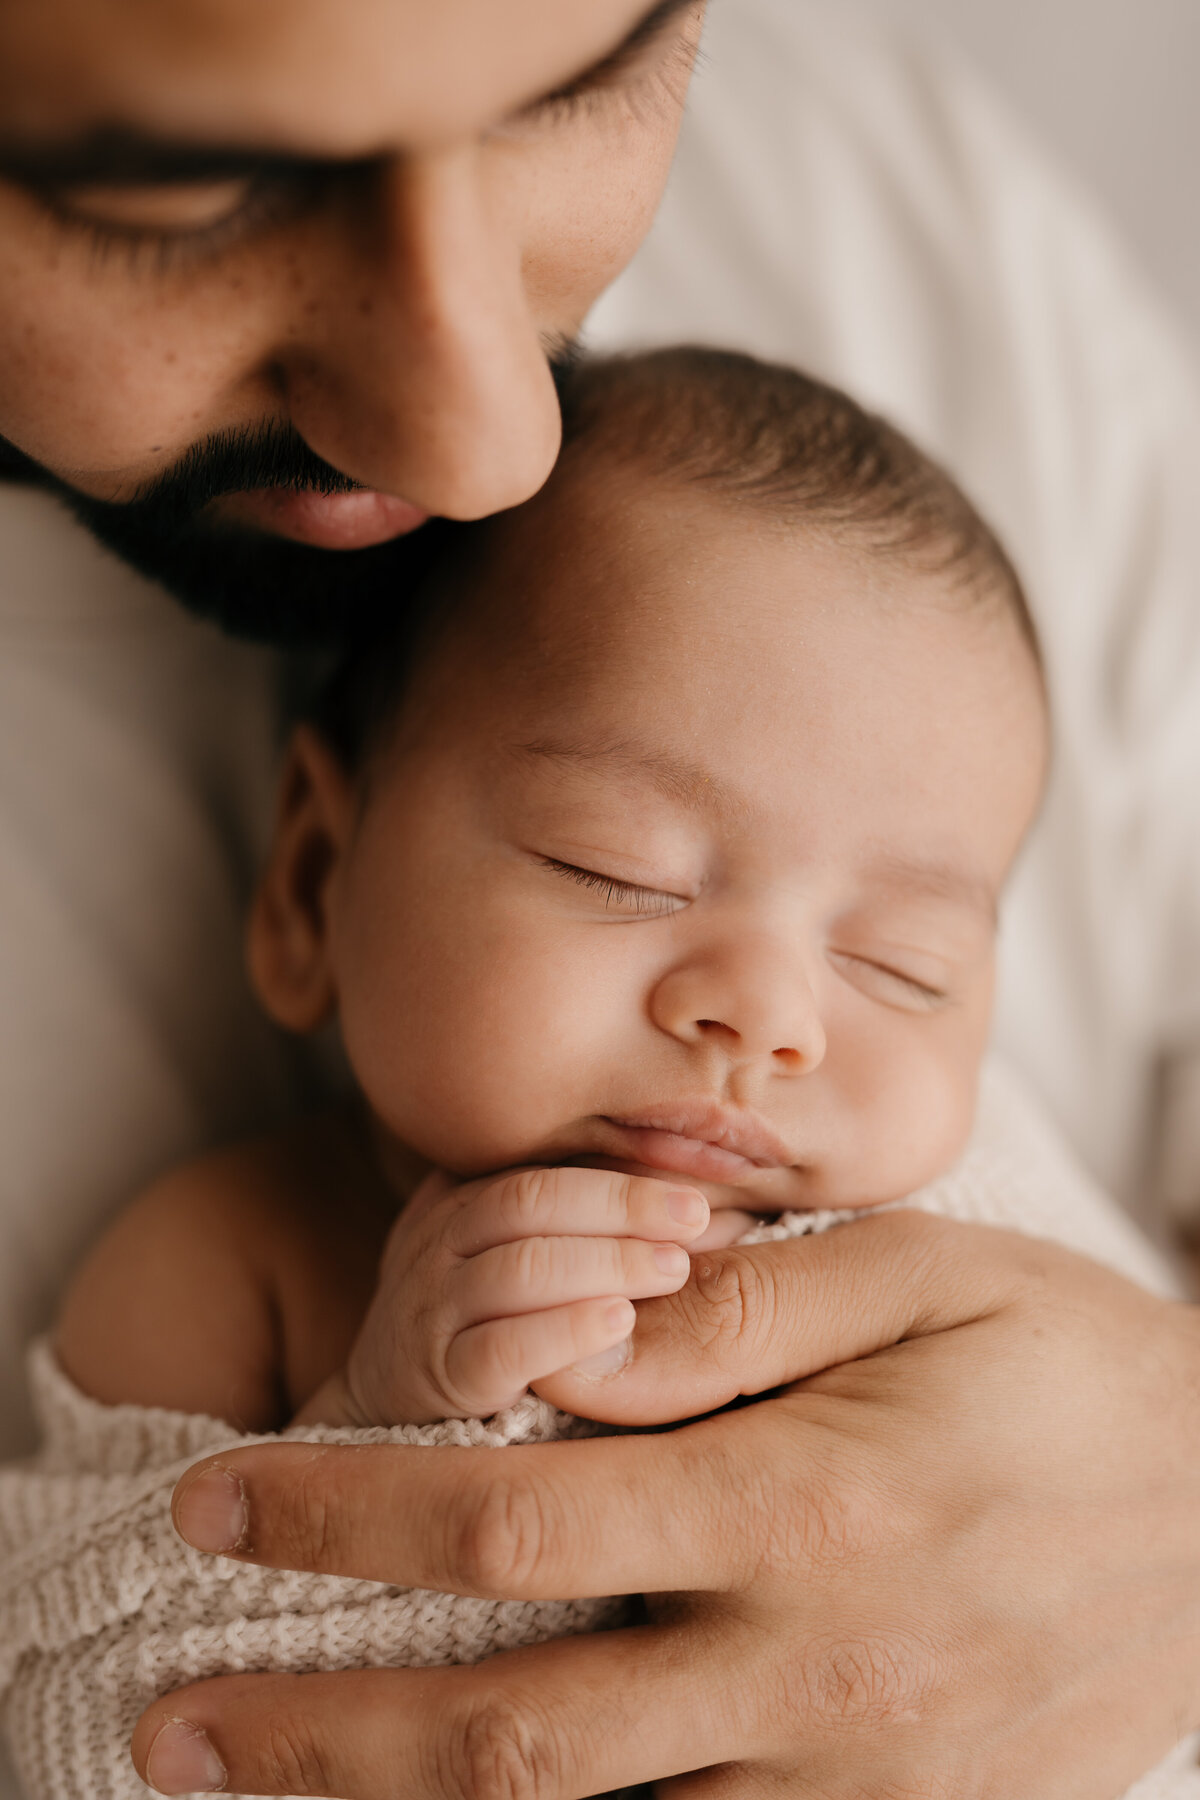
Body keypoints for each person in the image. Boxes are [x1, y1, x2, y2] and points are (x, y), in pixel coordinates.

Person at [1, 2, 1200, 1797]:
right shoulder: (241, 1260)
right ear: (314, 877)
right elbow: (81, 1717)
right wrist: (383, 1441)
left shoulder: (906, 210)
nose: (483, 435)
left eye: (906, 962)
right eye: (187, 190)